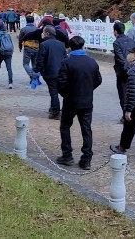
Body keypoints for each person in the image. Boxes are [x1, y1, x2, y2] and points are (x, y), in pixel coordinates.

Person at [56, 36, 102, 170]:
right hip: (87, 100)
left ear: (70, 47)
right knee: (86, 129)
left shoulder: (67, 62)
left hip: (70, 100)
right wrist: (88, 89)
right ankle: (86, 159)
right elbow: (98, 80)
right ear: (83, 46)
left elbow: (60, 83)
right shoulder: (92, 62)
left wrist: (67, 94)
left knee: (65, 126)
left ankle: (67, 155)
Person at [34, 26, 67, 119]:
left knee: (53, 92)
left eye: (44, 32)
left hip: (50, 72)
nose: (43, 34)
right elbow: (65, 58)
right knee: (62, 91)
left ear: (47, 33)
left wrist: (37, 70)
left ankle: (55, 112)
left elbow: (40, 59)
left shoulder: (44, 44)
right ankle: (57, 108)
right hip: (61, 72)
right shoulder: (61, 44)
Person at [112, 22, 135, 123]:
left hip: (122, 72)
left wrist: (126, 68)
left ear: (115, 31)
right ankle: (132, 114)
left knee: (123, 94)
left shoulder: (117, 43)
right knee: (131, 92)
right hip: (132, 68)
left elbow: (120, 58)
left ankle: (125, 116)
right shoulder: (131, 41)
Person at [0, 22, 14, 88]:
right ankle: (10, 83)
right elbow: (11, 44)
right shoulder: (8, 35)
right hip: (8, 53)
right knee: (9, 68)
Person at [18, 15, 40, 81]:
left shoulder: (23, 29)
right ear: (33, 21)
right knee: (34, 64)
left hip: (28, 48)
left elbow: (20, 39)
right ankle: (34, 78)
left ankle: (32, 75)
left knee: (25, 64)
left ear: (26, 21)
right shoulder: (38, 29)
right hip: (36, 48)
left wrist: (20, 47)